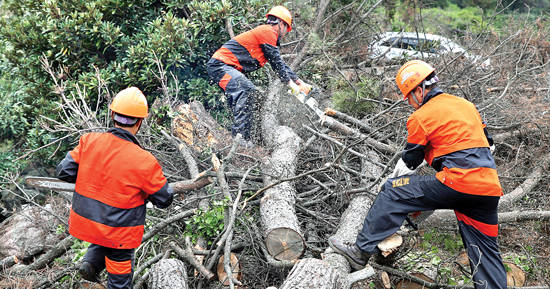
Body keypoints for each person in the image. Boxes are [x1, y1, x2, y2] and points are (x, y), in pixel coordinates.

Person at [328, 60, 507, 289]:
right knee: (486, 253)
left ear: (418, 90)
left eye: (409, 98)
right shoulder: (465, 105)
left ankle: (359, 252)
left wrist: (392, 182)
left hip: (457, 181)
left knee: (393, 191)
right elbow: (488, 145)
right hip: (488, 189)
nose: (411, 104)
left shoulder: (421, 116)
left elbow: (410, 162)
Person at [56, 87, 173, 289]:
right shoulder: (144, 161)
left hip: (86, 222)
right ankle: (94, 263)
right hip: (119, 234)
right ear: (140, 122)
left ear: (112, 115)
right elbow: (164, 199)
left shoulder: (88, 141)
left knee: (107, 227)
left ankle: (91, 262)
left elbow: (64, 172)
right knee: (120, 283)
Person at [207, 5, 311, 146]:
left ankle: (239, 138)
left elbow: (281, 64)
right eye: (286, 28)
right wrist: (290, 84)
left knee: (245, 94)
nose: (285, 33)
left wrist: (298, 81)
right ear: (281, 23)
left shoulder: (267, 37)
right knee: (246, 90)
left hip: (224, 67)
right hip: (220, 66)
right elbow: (276, 63)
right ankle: (240, 139)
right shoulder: (268, 32)